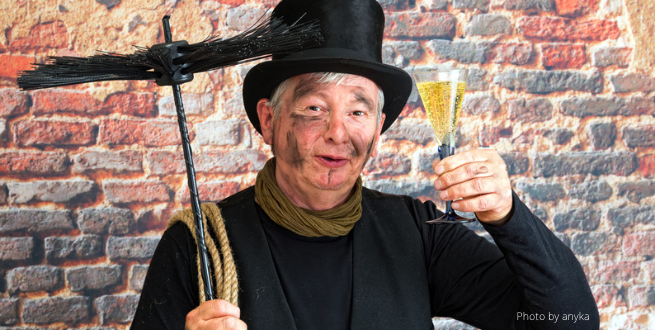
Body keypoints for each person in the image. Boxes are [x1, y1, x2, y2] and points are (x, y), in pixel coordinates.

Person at [131, 0, 599, 329]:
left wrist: (508, 215)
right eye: (314, 108)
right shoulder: (197, 246)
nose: (339, 132)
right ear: (269, 120)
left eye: (357, 112)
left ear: (377, 130)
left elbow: (570, 321)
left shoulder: (420, 234)